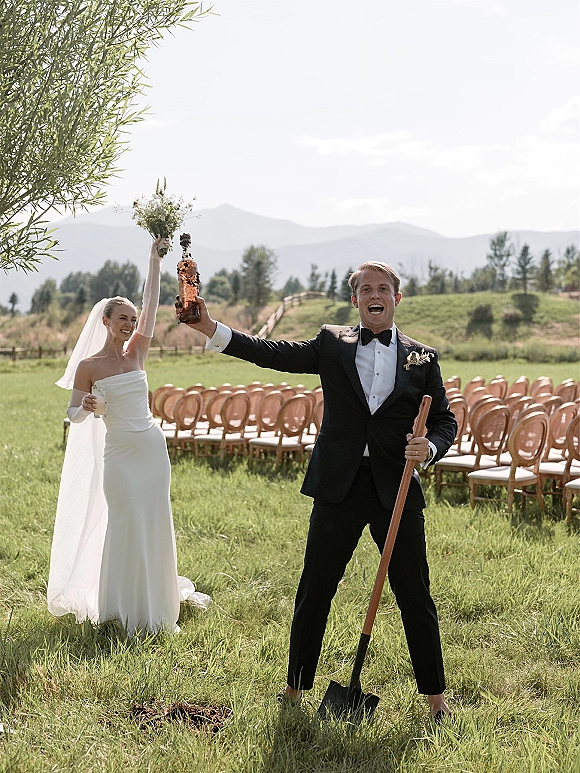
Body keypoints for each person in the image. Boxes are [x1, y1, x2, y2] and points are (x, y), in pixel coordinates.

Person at [178, 260, 456, 721]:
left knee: (415, 594)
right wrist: (209, 326)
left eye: (383, 288)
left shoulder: (422, 357)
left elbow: (445, 419)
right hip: (338, 486)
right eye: (365, 288)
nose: (375, 294)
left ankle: (436, 701)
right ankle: (294, 689)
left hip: (397, 489)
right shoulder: (332, 343)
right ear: (355, 300)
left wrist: (428, 447)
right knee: (315, 589)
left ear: (396, 298)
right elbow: (273, 353)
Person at [48, 237, 211, 636]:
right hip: (119, 452)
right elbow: (71, 413)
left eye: (131, 318)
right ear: (104, 321)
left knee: (154, 519)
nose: (129, 323)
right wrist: (84, 408)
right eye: (121, 318)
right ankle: (118, 608)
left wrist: (154, 260)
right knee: (123, 520)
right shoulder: (89, 366)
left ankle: (157, 603)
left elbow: (153, 303)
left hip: (151, 448)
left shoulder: (138, 350)